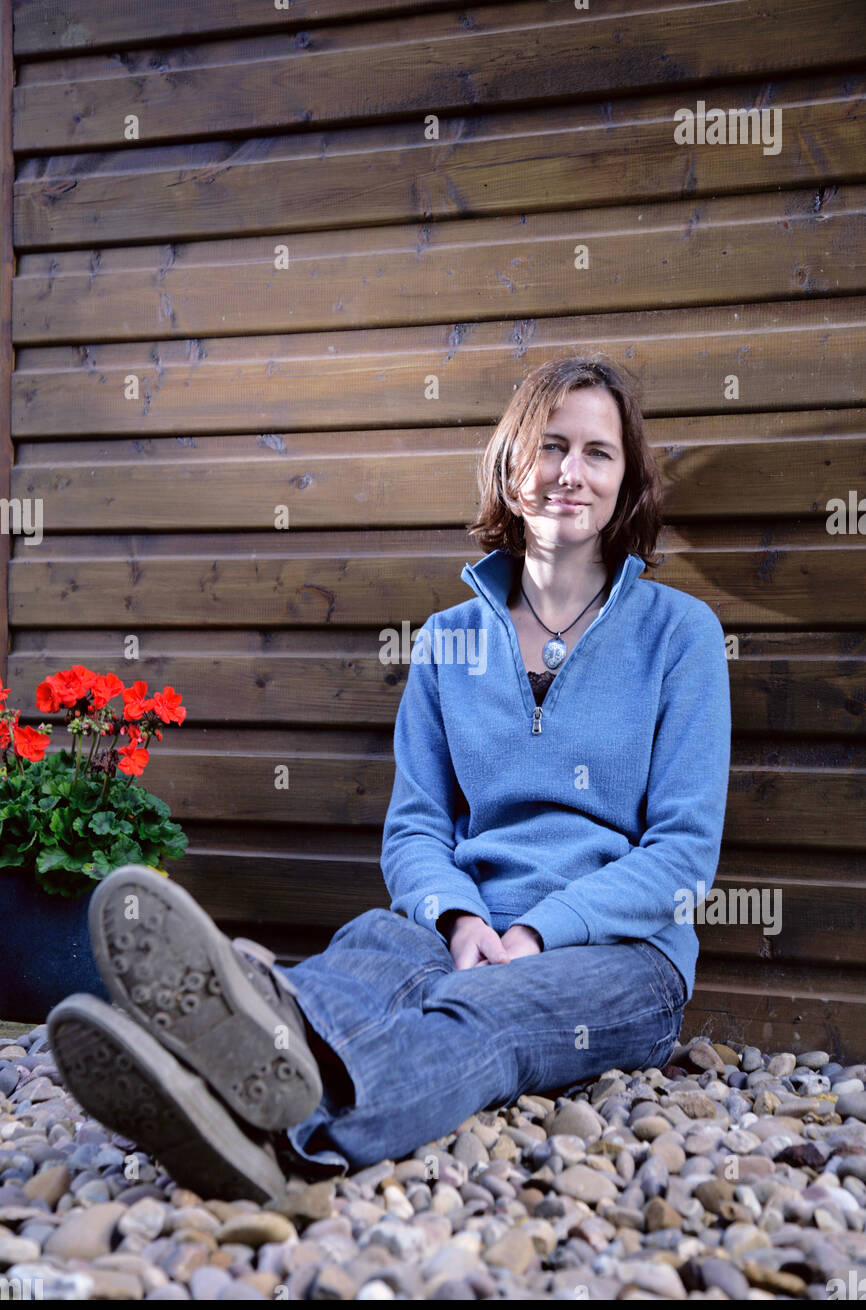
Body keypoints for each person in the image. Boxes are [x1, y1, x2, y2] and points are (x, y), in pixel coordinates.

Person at [47, 353, 731, 1202]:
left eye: (598, 453)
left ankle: (286, 1127)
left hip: (620, 955)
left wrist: (537, 934)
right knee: (364, 957)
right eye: (550, 446)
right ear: (512, 471)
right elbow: (416, 826)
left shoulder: (681, 634)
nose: (570, 473)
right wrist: (456, 915)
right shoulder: (447, 637)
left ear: (626, 483)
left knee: (481, 1016)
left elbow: (683, 854)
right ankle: (223, 1049)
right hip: (468, 917)